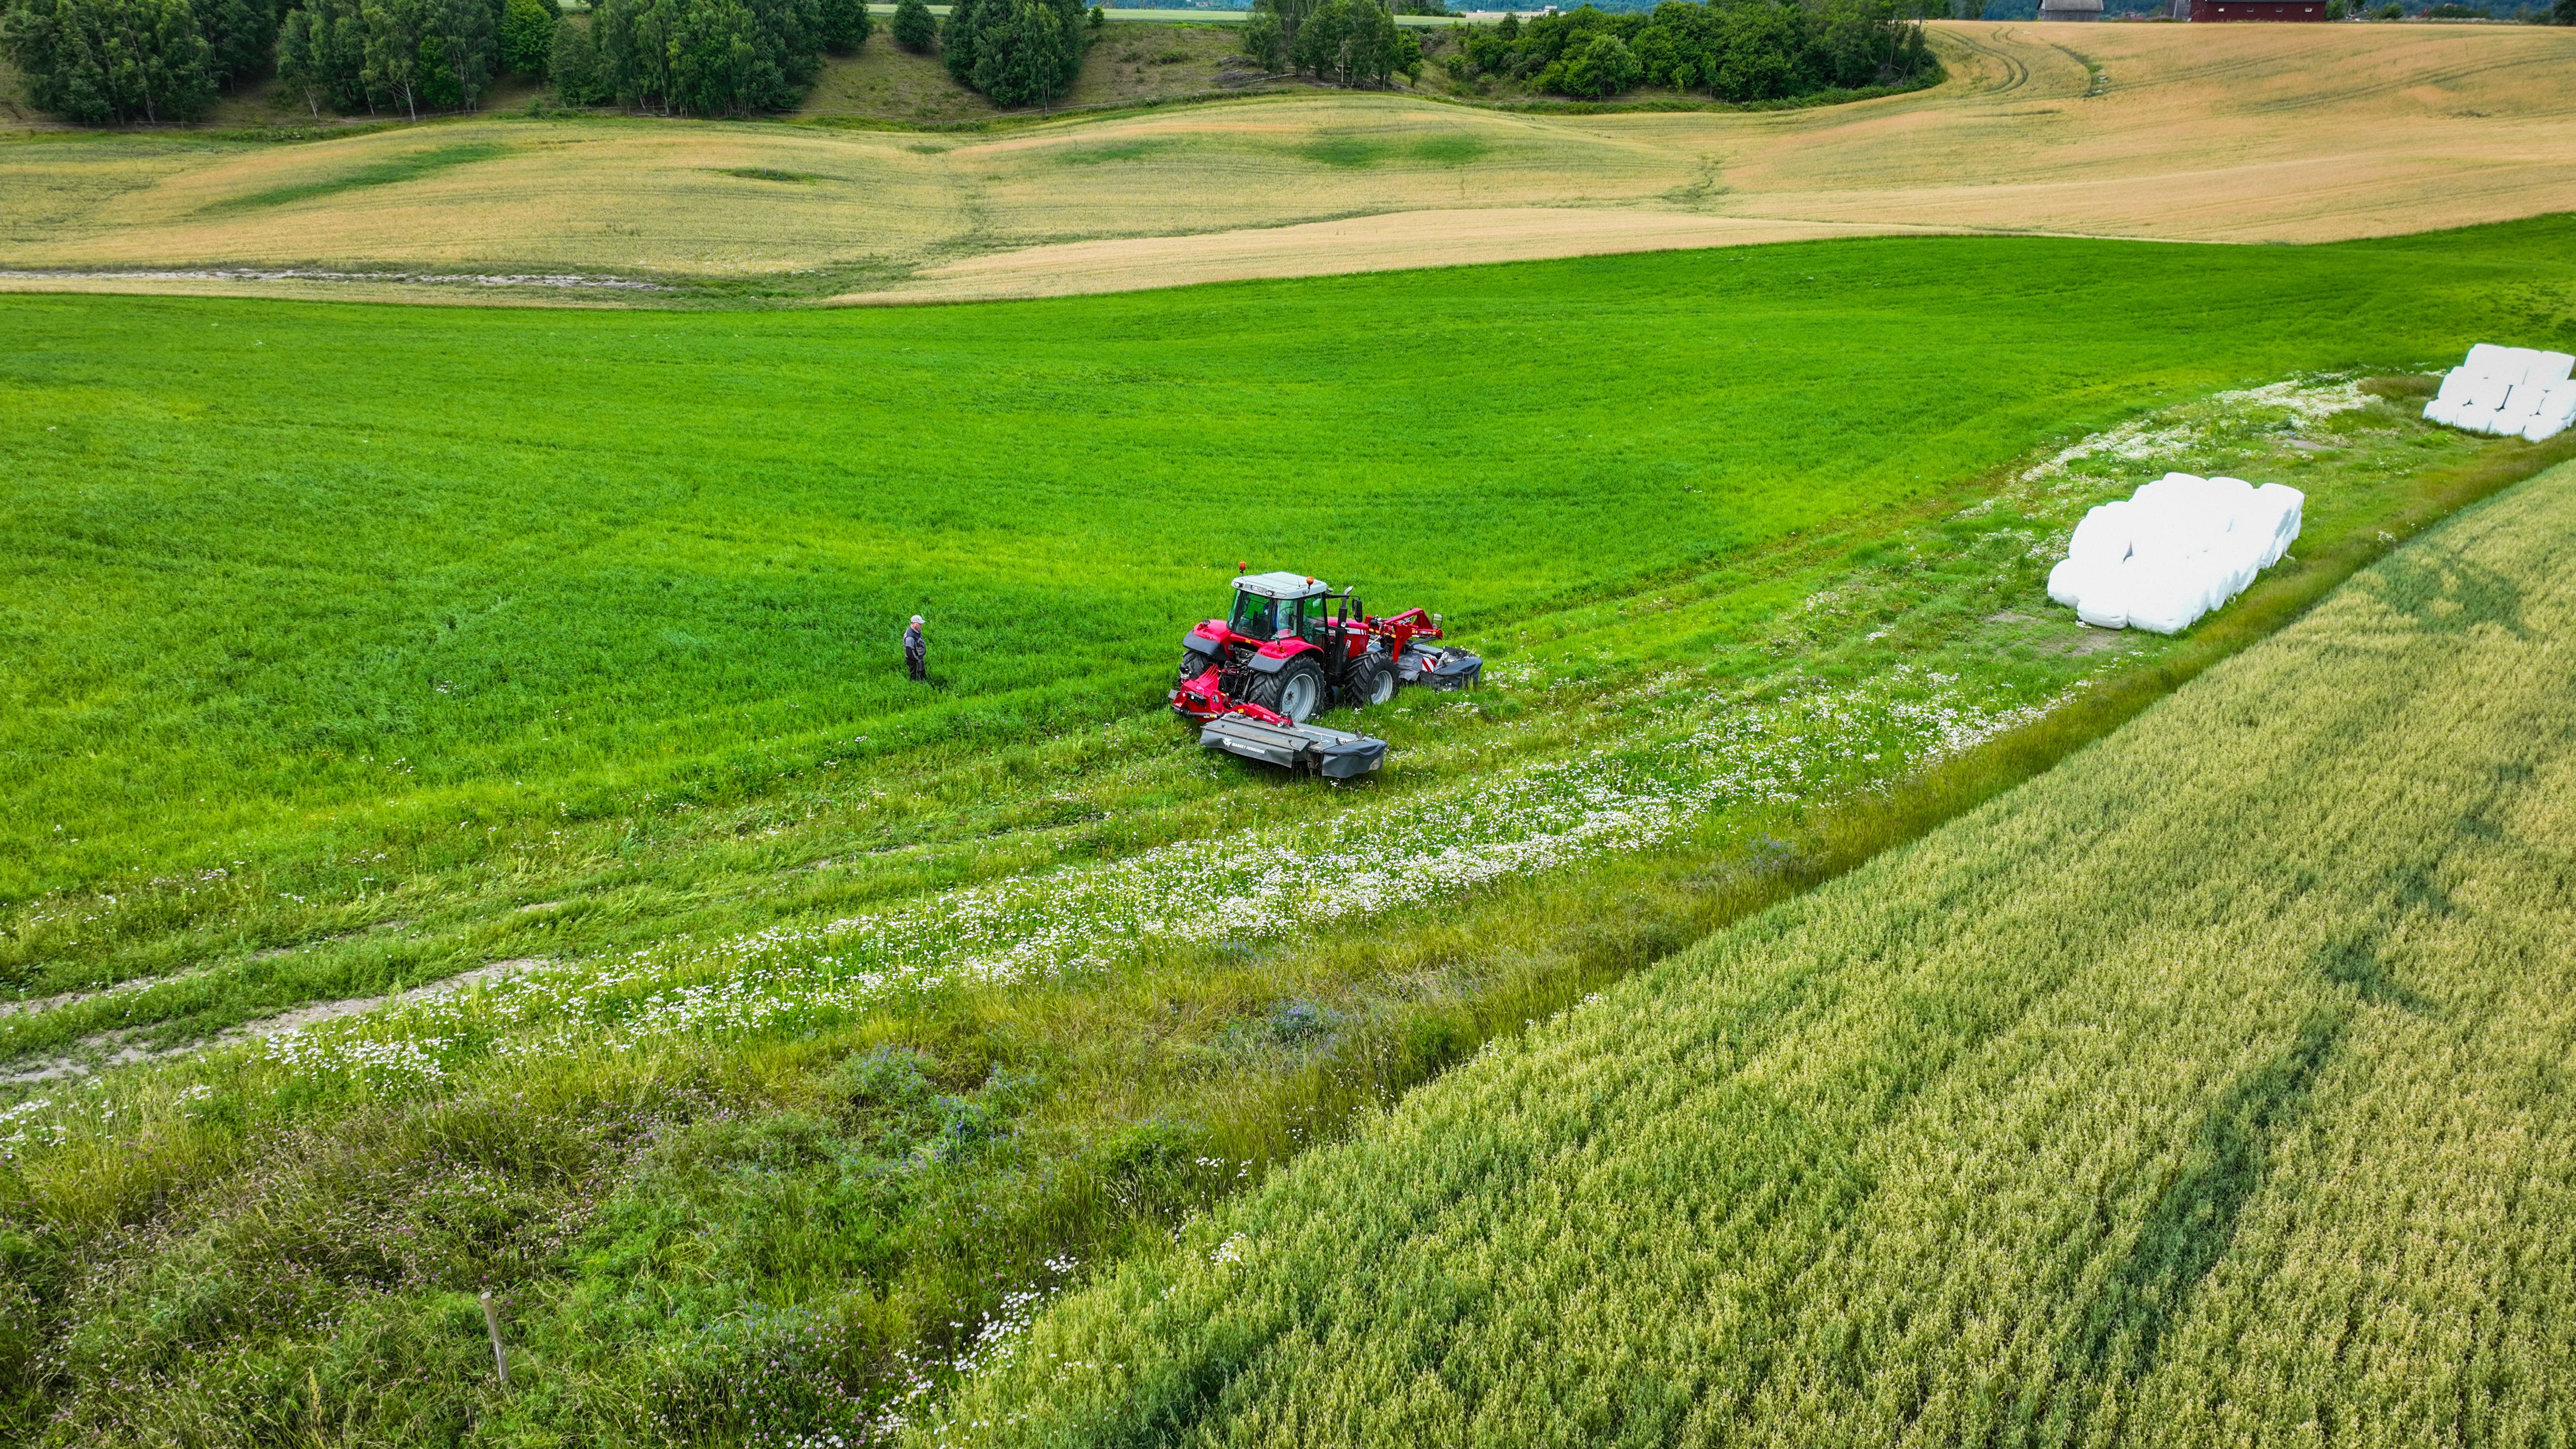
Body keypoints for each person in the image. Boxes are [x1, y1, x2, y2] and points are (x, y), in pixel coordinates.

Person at [904, 615, 926, 682]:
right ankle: (916, 688)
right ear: (913, 623)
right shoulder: (910, 637)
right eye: (919, 624)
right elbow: (909, 652)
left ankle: (924, 685)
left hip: (918, 658)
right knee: (915, 677)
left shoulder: (916, 630)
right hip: (914, 660)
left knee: (922, 674)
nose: (921, 625)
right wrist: (917, 660)